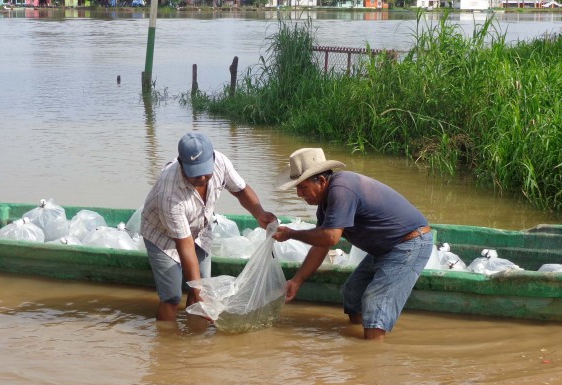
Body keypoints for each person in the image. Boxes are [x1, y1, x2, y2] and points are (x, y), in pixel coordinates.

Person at [272, 147, 433, 340]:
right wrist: (297, 281)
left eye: (302, 187)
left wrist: (292, 234)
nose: (299, 194)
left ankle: (372, 352)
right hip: (384, 249)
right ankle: (360, 339)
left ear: (321, 181)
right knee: (352, 293)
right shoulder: (325, 204)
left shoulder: (341, 190)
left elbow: (330, 237)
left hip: (409, 243)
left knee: (375, 301)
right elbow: (322, 245)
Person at [140, 132, 277, 321]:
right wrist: (196, 290)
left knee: (202, 290)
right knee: (172, 297)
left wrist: (259, 214)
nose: (202, 179)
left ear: (212, 158)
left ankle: (195, 339)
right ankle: (167, 340)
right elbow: (184, 244)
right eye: (195, 175)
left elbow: (241, 190)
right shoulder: (169, 191)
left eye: (206, 172)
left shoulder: (220, 162)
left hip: (200, 230)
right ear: (181, 165)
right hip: (162, 237)